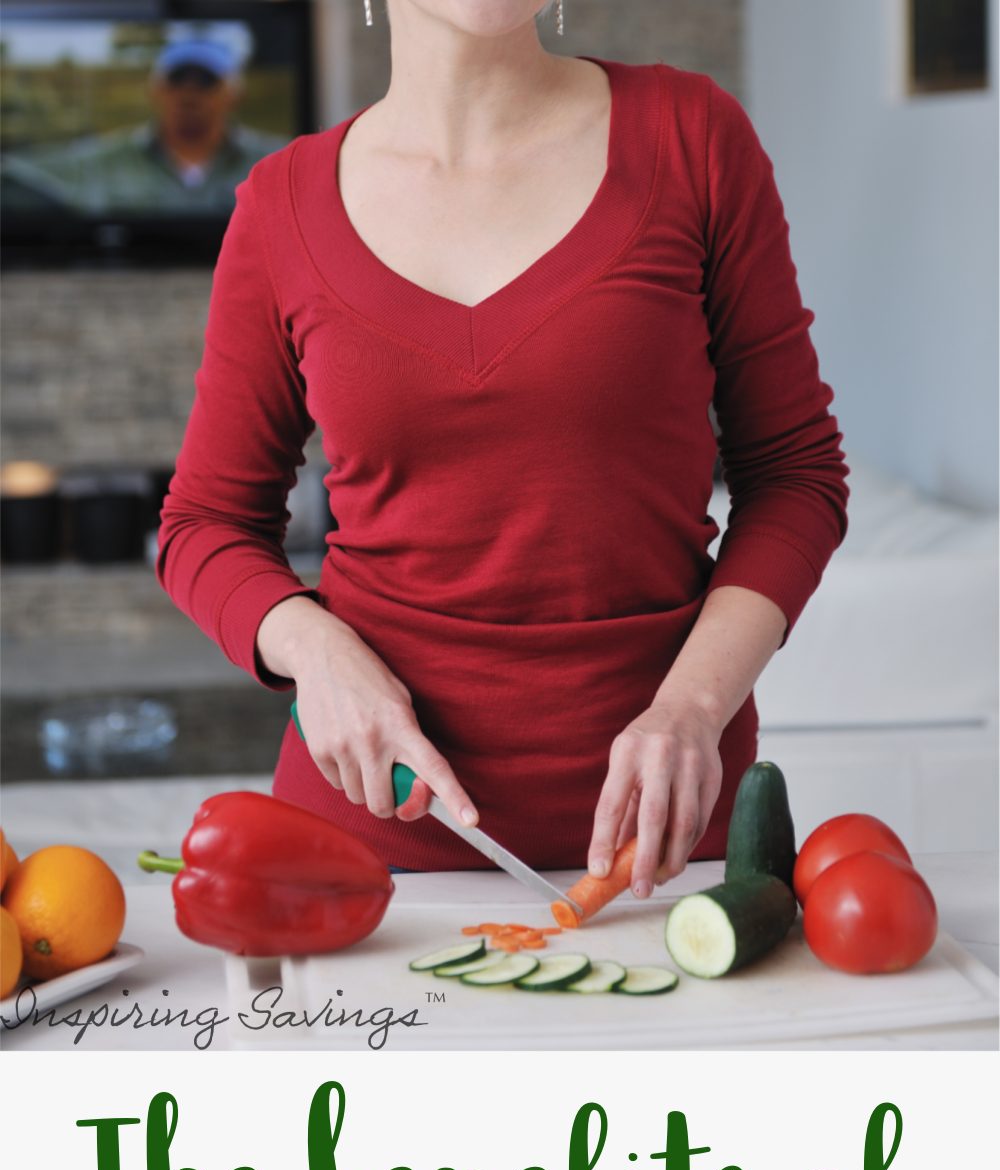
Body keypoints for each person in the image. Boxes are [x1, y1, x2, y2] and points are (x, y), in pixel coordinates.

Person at [157, 0, 850, 900]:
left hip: (667, 851)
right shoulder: (280, 205)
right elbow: (204, 523)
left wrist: (692, 709)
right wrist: (315, 650)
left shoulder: (693, 138)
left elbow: (796, 474)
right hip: (365, 856)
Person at [9, 37, 287, 215]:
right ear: (155, 91)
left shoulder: (278, 163)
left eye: (205, 81)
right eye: (177, 80)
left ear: (235, 95)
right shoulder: (104, 161)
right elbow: (25, 170)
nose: (188, 94)